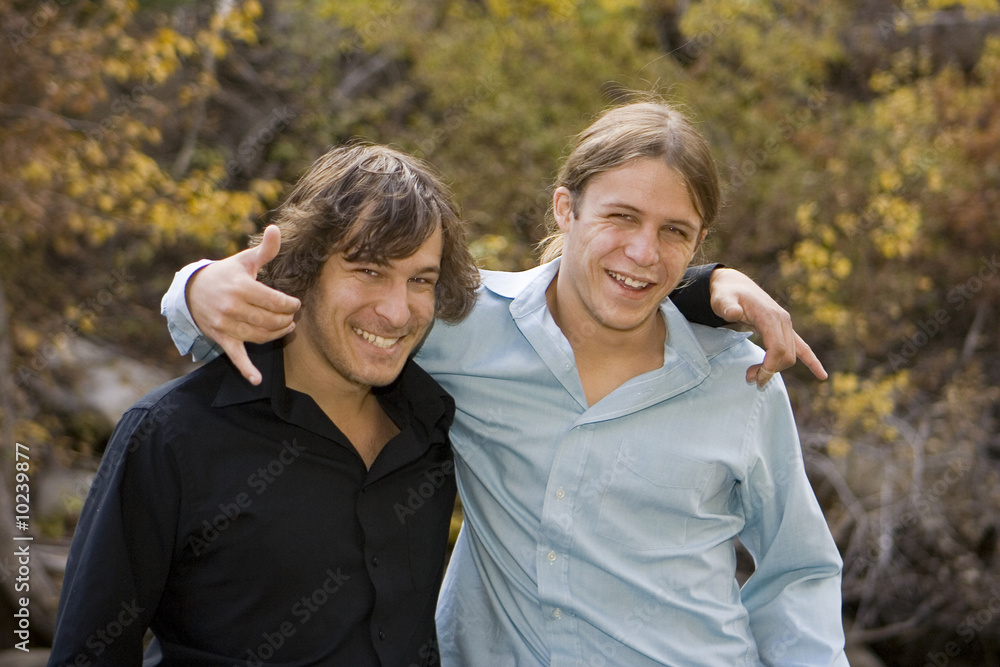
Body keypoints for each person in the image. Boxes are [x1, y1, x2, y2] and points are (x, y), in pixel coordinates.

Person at [162, 100, 847, 664]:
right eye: (621, 216)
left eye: (676, 232)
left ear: (698, 246)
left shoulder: (742, 378)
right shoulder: (460, 325)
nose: (644, 252)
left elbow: (798, 569)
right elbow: (309, 323)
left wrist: (711, 285)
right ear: (564, 209)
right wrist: (194, 289)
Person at [48, 143, 480, 666]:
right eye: (368, 270)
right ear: (303, 267)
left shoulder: (433, 427)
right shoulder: (173, 435)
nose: (395, 310)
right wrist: (194, 286)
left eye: (420, 280)